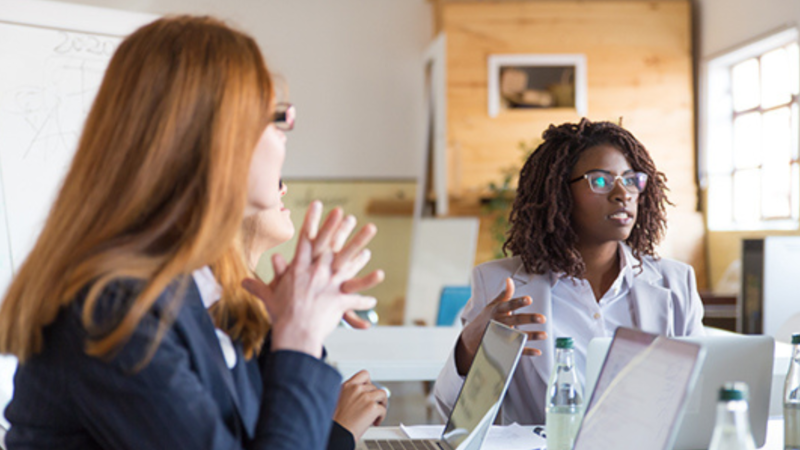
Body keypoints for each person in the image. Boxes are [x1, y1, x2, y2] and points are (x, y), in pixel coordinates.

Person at [0, 16, 379, 450]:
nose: (285, 136)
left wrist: (282, 326)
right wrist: (300, 339)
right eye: (278, 118)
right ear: (217, 137)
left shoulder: (185, 290)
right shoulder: (115, 308)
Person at [433, 119, 705, 425]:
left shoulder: (675, 283)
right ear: (559, 194)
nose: (622, 193)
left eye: (631, 180)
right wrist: (469, 345)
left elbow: (699, 400)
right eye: (600, 181)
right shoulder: (499, 284)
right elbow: (456, 419)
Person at [239, 183, 388, 450]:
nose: (284, 188)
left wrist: (319, 405)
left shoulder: (246, 304)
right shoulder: (209, 311)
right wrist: (339, 430)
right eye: (276, 178)